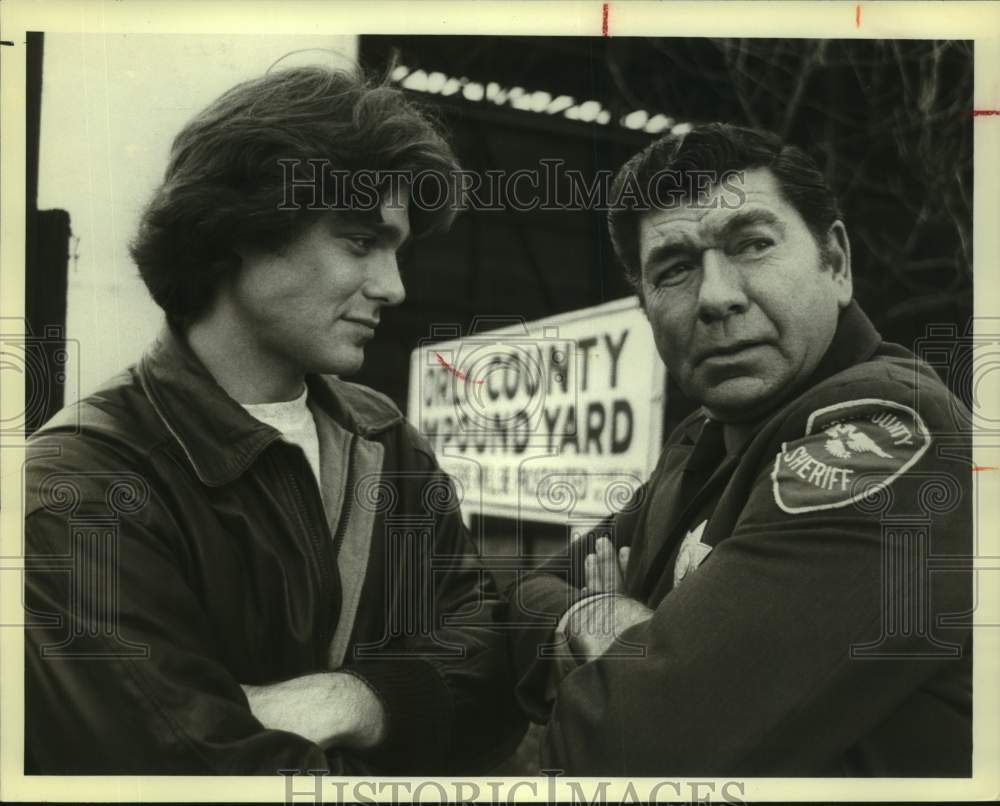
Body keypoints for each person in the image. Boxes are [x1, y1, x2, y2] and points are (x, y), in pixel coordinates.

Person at [24, 65, 524, 775]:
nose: (393, 287)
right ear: (239, 231)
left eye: (397, 250)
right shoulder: (75, 486)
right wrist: (417, 727)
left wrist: (354, 700)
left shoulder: (382, 437)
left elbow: (491, 659)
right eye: (358, 242)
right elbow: (189, 777)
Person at [504, 123, 972, 776]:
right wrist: (589, 615)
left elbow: (634, 747)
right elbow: (526, 596)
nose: (716, 297)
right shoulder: (701, 441)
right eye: (674, 268)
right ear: (644, 303)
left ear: (835, 264)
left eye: (751, 244)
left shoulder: (890, 434)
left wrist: (615, 671)